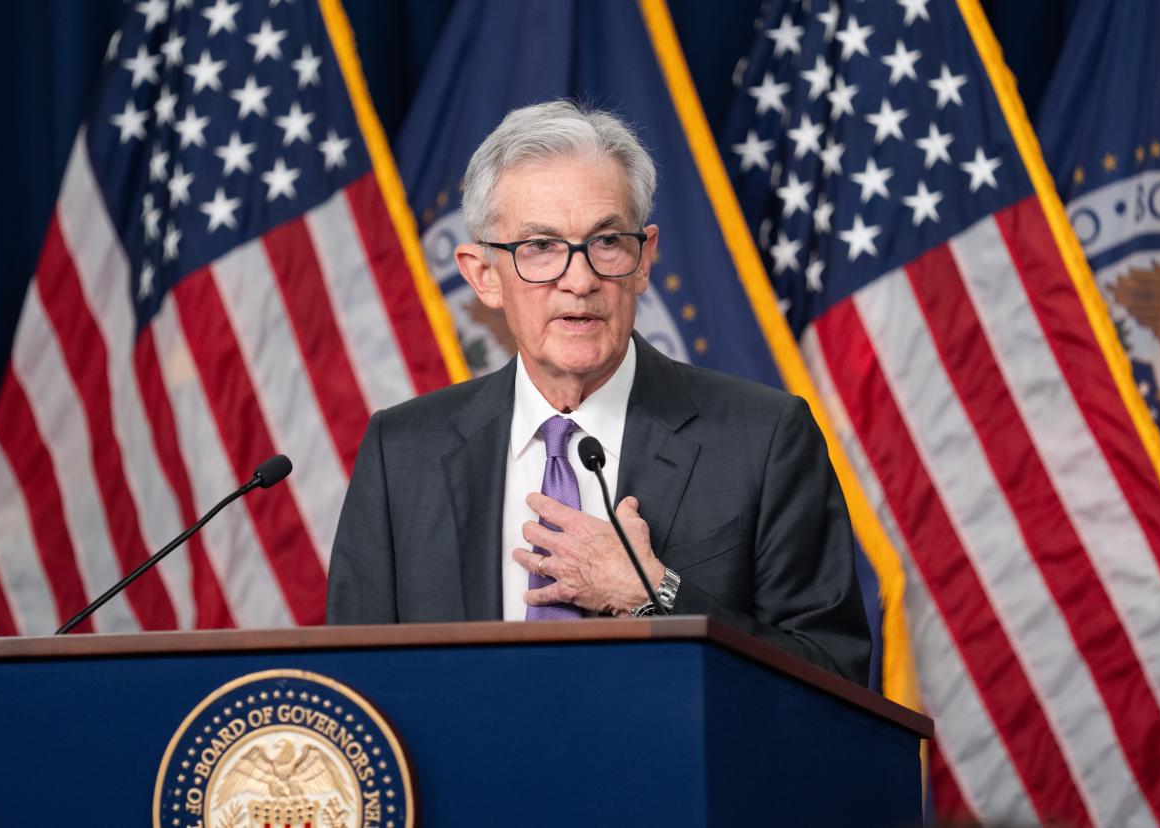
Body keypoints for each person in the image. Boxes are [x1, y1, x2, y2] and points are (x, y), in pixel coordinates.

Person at [327, 100, 870, 684]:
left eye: (606, 241)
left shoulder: (764, 437)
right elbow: (354, 687)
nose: (579, 280)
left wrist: (650, 593)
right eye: (540, 246)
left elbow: (833, 677)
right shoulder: (402, 451)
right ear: (483, 275)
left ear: (644, 259)